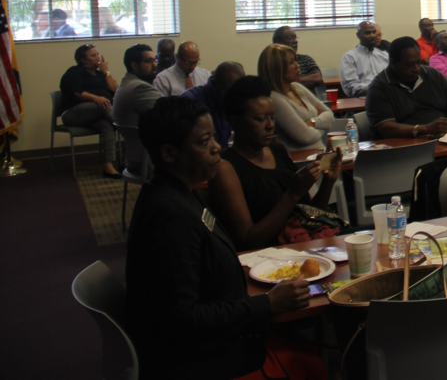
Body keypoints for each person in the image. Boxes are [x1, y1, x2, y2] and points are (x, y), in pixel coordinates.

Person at [126, 97, 323, 380]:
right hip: (202, 361)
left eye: (214, 138)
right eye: (204, 142)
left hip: (220, 340)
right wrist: (266, 305)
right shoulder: (168, 215)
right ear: (169, 153)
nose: (217, 147)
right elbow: (182, 319)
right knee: (314, 365)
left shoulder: (181, 193)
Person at [209, 76, 342, 250]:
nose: (270, 125)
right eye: (260, 119)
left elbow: (309, 216)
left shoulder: (278, 151)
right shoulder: (226, 169)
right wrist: (292, 194)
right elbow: (248, 239)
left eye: (272, 118)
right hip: (267, 261)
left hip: (303, 246)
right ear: (235, 121)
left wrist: (328, 181)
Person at [366, 37, 447, 138]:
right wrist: (425, 129)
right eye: (409, 65)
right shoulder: (379, 87)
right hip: (405, 145)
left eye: (418, 62)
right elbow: (385, 128)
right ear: (393, 63)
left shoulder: (431, 74)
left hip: (444, 138)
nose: (416, 69)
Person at [258, 44, 334, 151]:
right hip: (300, 160)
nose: (297, 65)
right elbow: (306, 137)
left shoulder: (297, 88)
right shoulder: (275, 99)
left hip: (319, 153)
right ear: (277, 68)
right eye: (291, 62)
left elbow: (329, 115)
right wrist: (322, 125)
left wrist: (312, 122)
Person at [59, 43, 119, 177]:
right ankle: (125, 128)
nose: (98, 57)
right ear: (82, 59)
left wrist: (106, 72)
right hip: (73, 114)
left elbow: (115, 90)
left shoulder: (100, 74)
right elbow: (76, 92)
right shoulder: (74, 72)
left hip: (97, 114)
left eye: (97, 54)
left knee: (107, 126)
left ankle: (109, 166)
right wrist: (96, 98)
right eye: (93, 55)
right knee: (102, 105)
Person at [113, 45, 164, 173]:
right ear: (134, 65)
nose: (154, 65)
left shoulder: (127, 83)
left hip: (135, 158)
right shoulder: (140, 88)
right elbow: (167, 117)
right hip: (150, 161)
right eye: (148, 61)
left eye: (155, 60)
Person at [182, 61, 246, 150]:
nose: (234, 98)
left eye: (238, 93)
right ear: (213, 84)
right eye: (228, 92)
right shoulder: (190, 102)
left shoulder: (235, 100)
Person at [340, 20, 389, 97]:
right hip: (363, 98)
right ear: (358, 35)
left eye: (374, 32)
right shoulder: (350, 57)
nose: (373, 36)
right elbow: (350, 87)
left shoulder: (384, 55)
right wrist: (376, 87)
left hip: (387, 97)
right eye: (367, 33)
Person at [272, 26, 322, 92]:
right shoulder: (273, 62)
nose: (295, 41)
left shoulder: (306, 59)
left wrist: (288, 81)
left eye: (295, 38)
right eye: (290, 38)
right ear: (278, 42)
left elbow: (317, 78)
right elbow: (275, 83)